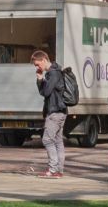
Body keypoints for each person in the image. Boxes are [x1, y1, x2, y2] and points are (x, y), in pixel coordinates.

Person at [34, 49, 69, 179]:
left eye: (38, 64)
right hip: (60, 111)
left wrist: (41, 79)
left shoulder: (53, 74)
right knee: (58, 141)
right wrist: (40, 80)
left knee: (47, 139)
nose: (37, 67)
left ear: (44, 60)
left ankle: (53, 169)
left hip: (55, 112)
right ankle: (59, 171)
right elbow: (44, 91)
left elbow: (46, 92)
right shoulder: (54, 72)